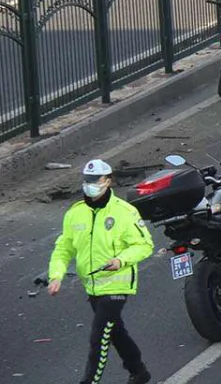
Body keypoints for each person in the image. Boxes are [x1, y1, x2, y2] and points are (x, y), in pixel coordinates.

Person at [48, 159, 154, 384]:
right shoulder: (75, 213)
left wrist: (121, 260)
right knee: (115, 332)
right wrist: (56, 276)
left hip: (117, 283)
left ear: (108, 181)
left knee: (98, 337)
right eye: (87, 181)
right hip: (93, 285)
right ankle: (139, 371)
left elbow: (145, 245)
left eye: (96, 181)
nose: (90, 185)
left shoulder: (125, 212)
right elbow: (63, 248)